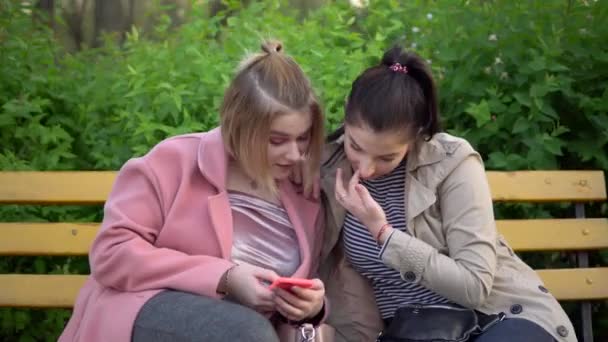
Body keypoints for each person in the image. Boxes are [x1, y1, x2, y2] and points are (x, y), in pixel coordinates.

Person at [59, 40, 329, 342]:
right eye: (277, 141)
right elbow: (111, 253)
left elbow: (308, 286)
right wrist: (225, 276)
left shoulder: (305, 191)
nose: (294, 154)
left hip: (254, 331)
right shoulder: (172, 162)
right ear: (238, 127)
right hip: (147, 311)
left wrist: (312, 308)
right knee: (244, 332)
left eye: (302, 138)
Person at [318, 46, 577, 342]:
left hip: (496, 320)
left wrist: (384, 234)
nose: (365, 168)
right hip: (411, 332)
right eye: (356, 146)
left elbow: (475, 286)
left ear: (416, 134)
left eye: (386, 158)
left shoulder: (452, 162)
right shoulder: (326, 165)